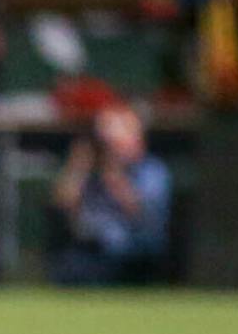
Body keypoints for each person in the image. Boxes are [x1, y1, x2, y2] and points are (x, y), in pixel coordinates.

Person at [49, 105, 172, 286]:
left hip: (133, 255)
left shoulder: (152, 171)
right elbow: (62, 204)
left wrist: (113, 173)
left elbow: (141, 213)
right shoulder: (89, 169)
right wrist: (78, 167)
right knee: (70, 268)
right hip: (89, 251)